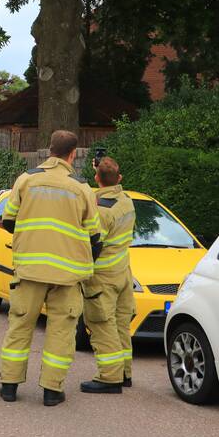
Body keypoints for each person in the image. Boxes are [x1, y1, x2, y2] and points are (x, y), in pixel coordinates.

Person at [0, 130, 100, 406]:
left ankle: (9, 386)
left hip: (29, 271)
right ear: (73, 154)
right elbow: (94, 237)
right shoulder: (81, 187)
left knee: (19, 327)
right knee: (61, 332)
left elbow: (8, 221)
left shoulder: (26, 180)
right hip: (66, 276)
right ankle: (52, 391)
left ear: (49, 149)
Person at [80, 156, 136, 393]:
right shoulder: (126, 201)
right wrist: (101, 169)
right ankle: (124, 373)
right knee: (121, 325)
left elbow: (94, 244)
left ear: (96, 179)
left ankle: (109, 377)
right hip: (123, 272)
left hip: (102, 276)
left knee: (102, 324)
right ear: (120, 178)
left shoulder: (101, 209)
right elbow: (107, 181)